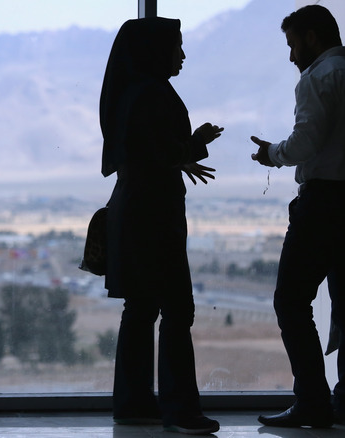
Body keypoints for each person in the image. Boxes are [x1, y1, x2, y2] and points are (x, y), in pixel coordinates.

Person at [250, 5, 345, 428]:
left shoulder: (318, 79)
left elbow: (306, 142)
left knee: (291, 300)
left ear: (312, 38)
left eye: (294, 44)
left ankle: (312, 400)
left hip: (324, 204)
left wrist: (271, 154)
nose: (292, 55)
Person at [99, 17, 223, 435]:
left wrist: (180, 155)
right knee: (176, 309)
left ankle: (133, 404)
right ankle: (180, 411)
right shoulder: (152, 94)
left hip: (135, 213)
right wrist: (197, 142)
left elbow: (144, 153)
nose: (182, 55)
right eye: (177, 47)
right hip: (153, 219)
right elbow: (160, 152)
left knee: (141, 309)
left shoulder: (132, 92)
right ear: (155, 51)